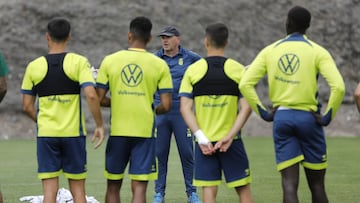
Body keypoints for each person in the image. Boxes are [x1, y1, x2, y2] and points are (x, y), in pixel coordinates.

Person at [239, 6, 345, 203]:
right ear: (308, 26)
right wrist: (328, 116)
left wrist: (264, 113)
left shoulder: (270, 50)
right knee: (317, 185)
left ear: (287, 23)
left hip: (282, 119)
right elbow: (338, 87)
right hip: (309, 119)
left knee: (289, 185)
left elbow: (245, 83)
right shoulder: (318, 51)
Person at [21, 18, 105, 203]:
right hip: (73, 134)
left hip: (47, 135)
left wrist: (42, 121)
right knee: (78, 193)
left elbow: (26, 106)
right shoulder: (78, 62)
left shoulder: (34, 66)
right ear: (69, 37)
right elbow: (91, 95)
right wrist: (99, 124)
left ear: (47, 37)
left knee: (50, 193)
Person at [95, 16, 173, 203]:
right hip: (145, 132)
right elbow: (167, 105)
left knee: (113, 185)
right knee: (139, 187)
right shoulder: (159, 64)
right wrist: (151, 108)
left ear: (129, 35)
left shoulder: (110, 60)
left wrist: (119, 101)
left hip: (119, 131)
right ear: (150, 38)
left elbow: (98, 99)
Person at [179, 23, 253, 203]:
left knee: (209, 190)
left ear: (206, 42)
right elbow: (247, 107)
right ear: (227, 42)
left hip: (206, 143)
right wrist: (229, 136)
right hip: (231, 141)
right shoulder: (237, 69)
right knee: (243, 190)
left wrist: (201, 138)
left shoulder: (193, 70)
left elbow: (184, 108)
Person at [152, 26, 202, 203]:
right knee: (160, 154)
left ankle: (192, 193)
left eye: (168, 37)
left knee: (187, 154)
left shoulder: (191, 58)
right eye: (162, 38)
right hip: (161, 113)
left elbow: (207, 69)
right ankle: (159, 193)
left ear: (177, 39)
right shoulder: (155, 58)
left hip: (182, 113)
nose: (164, 40)